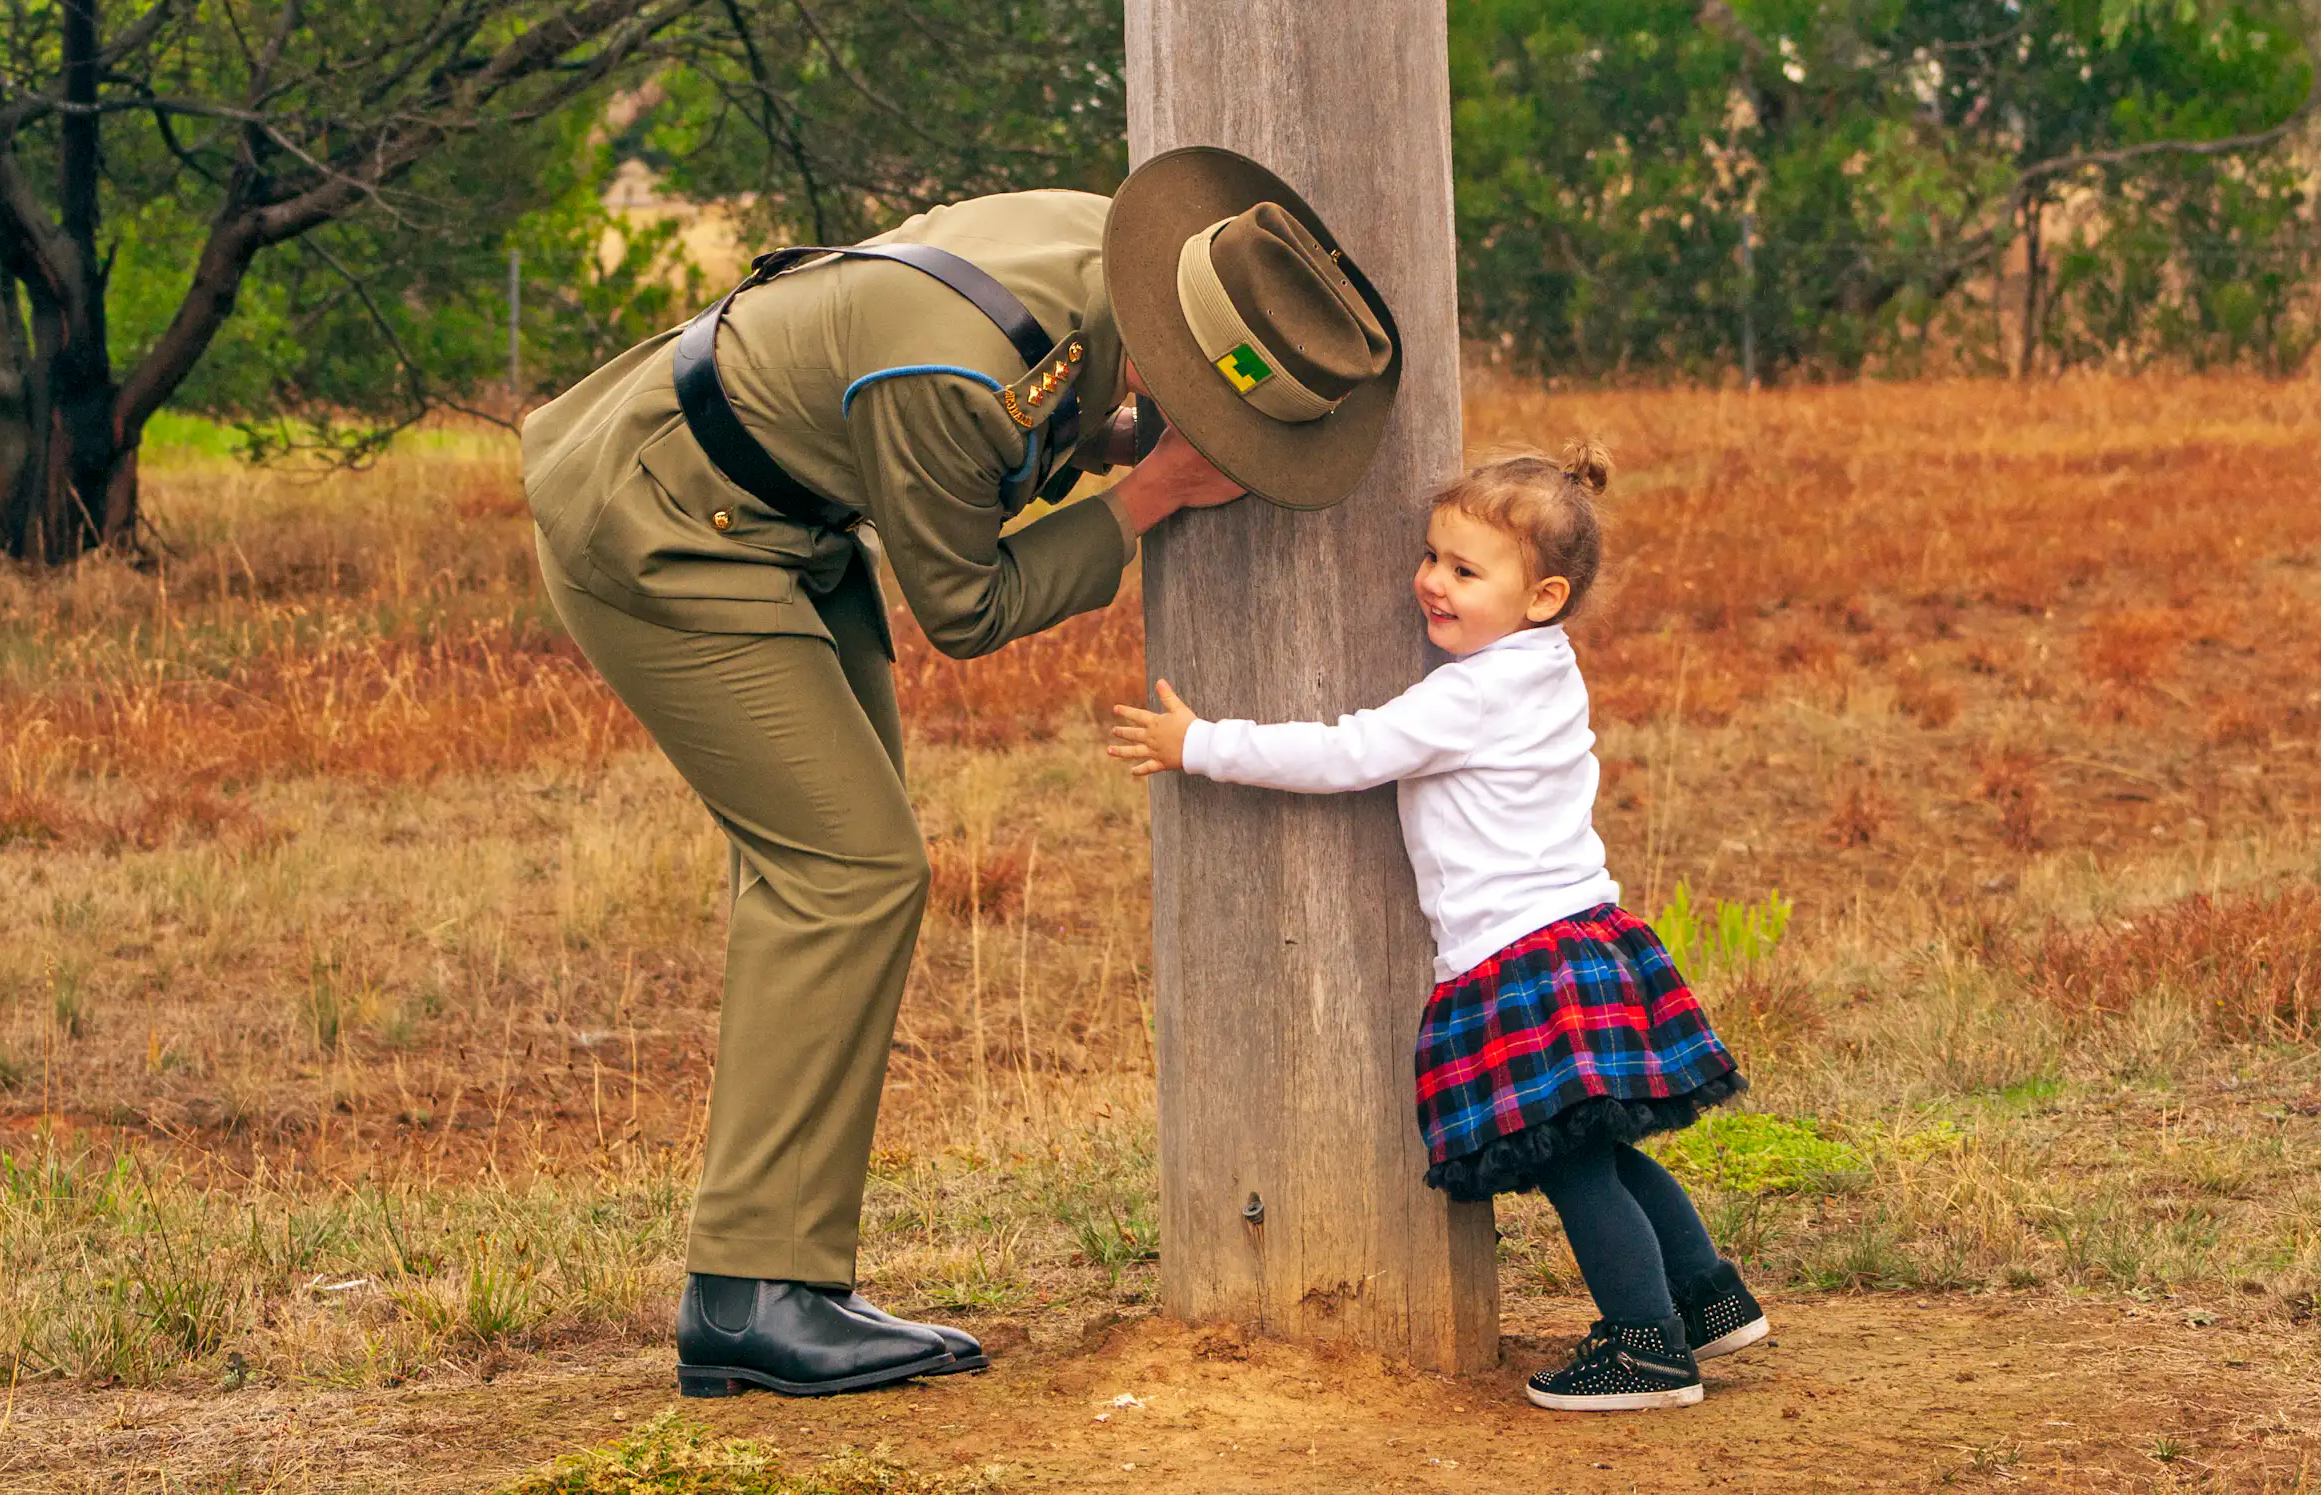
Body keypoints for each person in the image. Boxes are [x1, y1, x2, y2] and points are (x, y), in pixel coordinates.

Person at [522, 145, 1403, 1397]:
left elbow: (1040, 412)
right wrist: (1146, 493)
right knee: (850, 874)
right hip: (664, 525)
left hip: (775, 516)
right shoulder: (956, 378)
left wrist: (1116, 437)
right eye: (1226, 416)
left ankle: (776, 1276)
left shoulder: (1094, 247)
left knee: (835, 877)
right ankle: (751, 1294)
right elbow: (966, 606)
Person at [1107, 442, 1767, 1411]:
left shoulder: (1471, 692)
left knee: (1570, 1163)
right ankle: (1707, 1298)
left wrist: (1200, 744)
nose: (1431, 582)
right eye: (1430, 557)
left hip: (1520, 957)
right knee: (1604, 1150)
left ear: (1540, 597)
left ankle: (1644, 1350)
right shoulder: (1543, 666)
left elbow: (1352, 751)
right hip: (1579, 933)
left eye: (1464, 571)